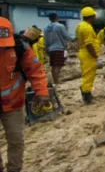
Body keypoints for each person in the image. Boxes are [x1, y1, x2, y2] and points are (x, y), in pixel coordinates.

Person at [0, 17, 49, 172]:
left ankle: (14, 169)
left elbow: (34, 70)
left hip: (13, 104)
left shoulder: (19, 48)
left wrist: (41, 91)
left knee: (16, 141)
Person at [76, 7, 101, 104]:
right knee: (88, 76)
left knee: (86, 74)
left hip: (84, 53)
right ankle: (86, 96)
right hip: (88, 55)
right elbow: (89, 44)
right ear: (92, 16)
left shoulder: (80, 25)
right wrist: (95, 56)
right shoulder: (87, 28)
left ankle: (86, 92)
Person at [44, 13, 72, 84]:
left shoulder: (46, 28)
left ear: (50, 19)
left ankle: (55, 81)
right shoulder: (60, 26)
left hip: (51, 49)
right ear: (57, 17)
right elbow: (66, 36)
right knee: (58, 66)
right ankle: (56, 82)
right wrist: (74, 39)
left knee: (53, 66)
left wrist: (46, 49)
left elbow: (46, 41)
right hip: (59, 48)